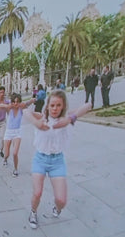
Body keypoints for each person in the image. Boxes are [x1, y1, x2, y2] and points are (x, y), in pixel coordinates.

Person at [24, 91, 91, 229]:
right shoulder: (42, 117)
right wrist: (36, 123)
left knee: (61, 200)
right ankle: (33, 212)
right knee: (37, 193)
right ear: (48, 106)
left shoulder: (65, 118)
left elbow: (88, 105)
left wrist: (71, 118)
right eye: (52, 105)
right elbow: (25, 110)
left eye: (58, 105)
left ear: (63, 106)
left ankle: (57, 208)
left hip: (57, 161)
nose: (55, 108)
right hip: (40, 159)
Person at [3, 93, 34, 177]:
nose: (16, 104)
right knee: (7, 154)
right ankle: (5, 159)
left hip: (17, 132)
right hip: (8, 132)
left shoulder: (21, 109)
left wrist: (32, 100)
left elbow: (27, 103)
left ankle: (15, 169)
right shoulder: (9, 109)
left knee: (15, 153)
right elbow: (4, 105)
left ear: (20, 102)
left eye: (17, 102)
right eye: (14, 102)